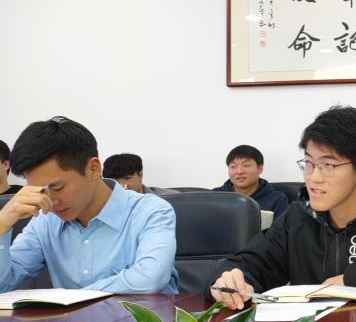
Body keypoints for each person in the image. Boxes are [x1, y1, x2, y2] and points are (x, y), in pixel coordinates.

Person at [210, 106, 356, 308]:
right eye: (309, 163)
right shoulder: (298, 216)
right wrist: (231, 278)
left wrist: (352, 277)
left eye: (328, 165)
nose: (313, 178)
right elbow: (252, 262)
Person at [0, 117, 178, 294]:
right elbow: (4, 285)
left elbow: (149, 278)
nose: (51, 201)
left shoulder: (151, 211)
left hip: (138, 314)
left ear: (93, 168)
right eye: (40, 191)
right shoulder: (45, 221)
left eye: (57, 187)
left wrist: (73, 298)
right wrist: (2, 224)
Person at [212, 144, 288, 221]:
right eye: (233, 166)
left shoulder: (277, 199)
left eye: (247, 165)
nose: (239, 171)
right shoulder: (214, 196)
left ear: (260, 168)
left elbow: (281, 228)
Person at [102, 153, 176, 195]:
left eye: (127, 178)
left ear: (140, 175)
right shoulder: (102, 204)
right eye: (115, 180)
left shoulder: (170, 197)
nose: (122, 186)